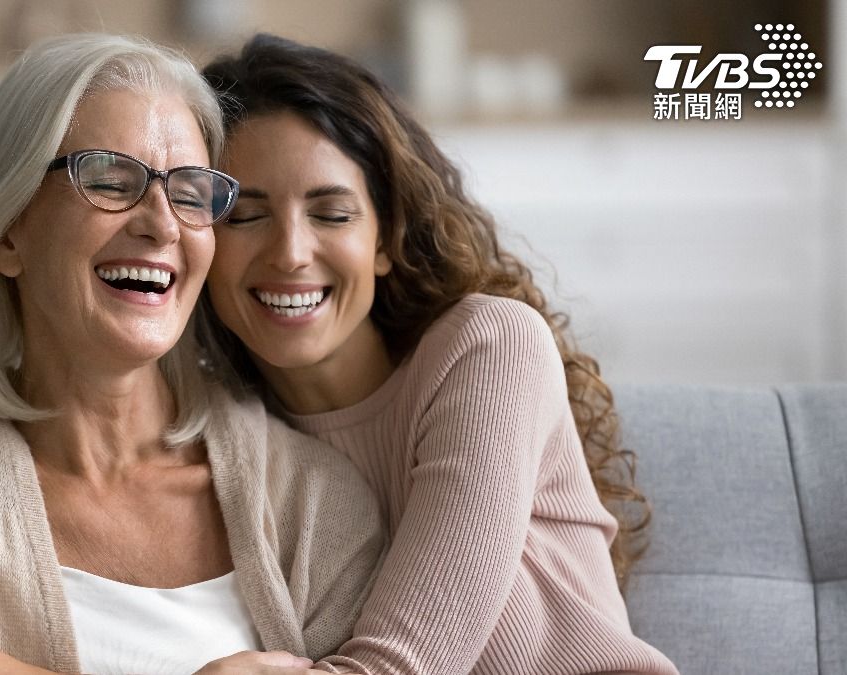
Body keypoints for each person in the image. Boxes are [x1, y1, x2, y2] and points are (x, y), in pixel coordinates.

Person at [0, 33, 384, 675]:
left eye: (189, 192)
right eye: (107, 178)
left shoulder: (312, 496)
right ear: (6, 231)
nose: (160, 223)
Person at [193, 34, 678, 674]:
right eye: (246, 217)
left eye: (332, 215)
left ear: (385, 239)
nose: (289, 253)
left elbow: (403, 667)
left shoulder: (489, 348)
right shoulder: (218, 428)